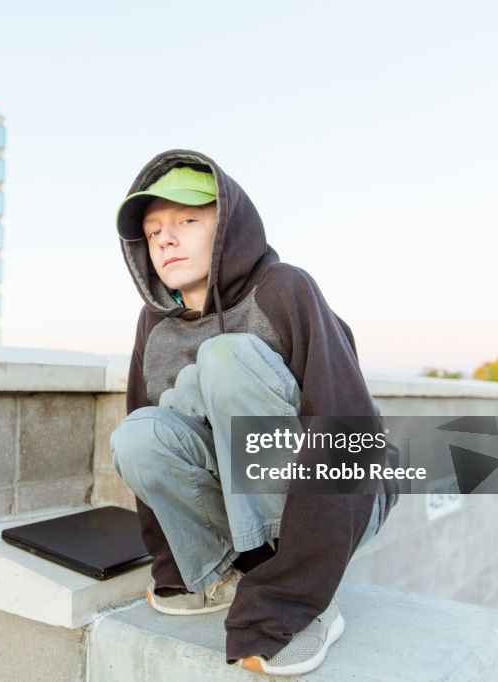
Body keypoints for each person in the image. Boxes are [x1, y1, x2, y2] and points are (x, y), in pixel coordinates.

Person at [109, 149, 399, 676]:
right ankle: (225, 575)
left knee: (225, 359)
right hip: (246, 497)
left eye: (187, 221)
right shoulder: (153, 326)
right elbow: (154, 443)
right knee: (137, 433)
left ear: (228, 229)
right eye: (153, 232)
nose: (167, 239)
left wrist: (291, 599)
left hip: (349, 490)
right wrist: (177, 567)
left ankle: (306, 595)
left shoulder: (284, 289)